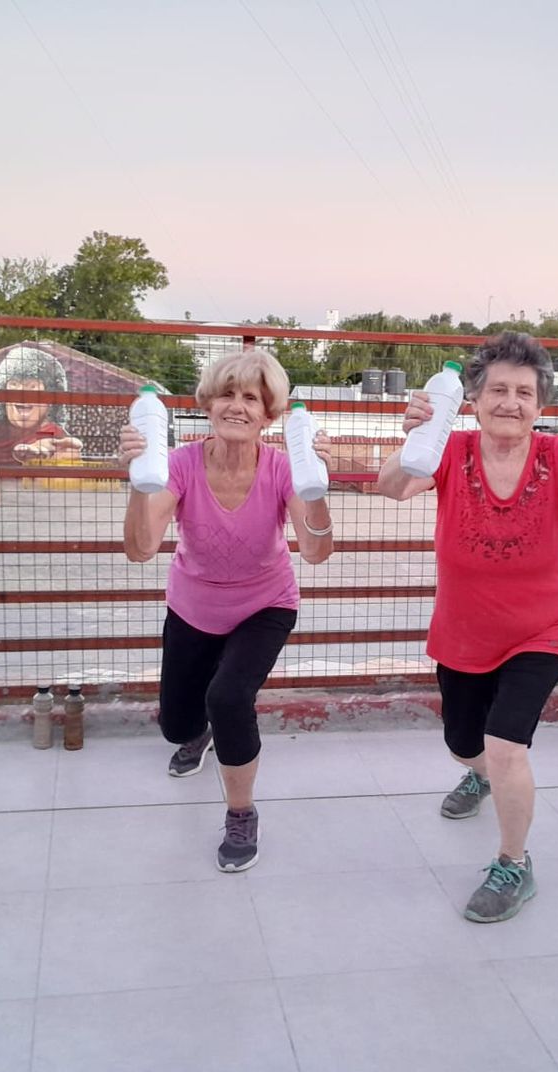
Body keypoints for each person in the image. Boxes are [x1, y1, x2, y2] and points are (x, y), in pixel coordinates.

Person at [377, 332, 558, 923]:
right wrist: (411, 438)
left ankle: (513, 863)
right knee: (464, 743)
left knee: (506, 746)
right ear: (471, 398)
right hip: (464, 630)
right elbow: (391, 488)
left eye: (524, 393)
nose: (510, 402)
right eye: (497, 389)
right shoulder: (449, 449)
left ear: (541, 406)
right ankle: (476, 777)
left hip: (542, 627)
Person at [118, 349, 334, 872]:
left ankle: (241, 814)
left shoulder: (284, 468)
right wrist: (135, 479)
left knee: (229, 696)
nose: (237, 406)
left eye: (251, 398)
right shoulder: (181, 464)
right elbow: (141, 548)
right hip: (194, 605)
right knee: (176, 724)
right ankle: (197, 731)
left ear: (270, 415)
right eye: (227, 394)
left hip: (266, 603)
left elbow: (316, 551)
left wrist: (318, 483)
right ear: (208, 404)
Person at [0, 345, 83, 464]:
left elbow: (53, 445)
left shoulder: (51, 432)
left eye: (32, 386)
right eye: (14, 384)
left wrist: (39, 452)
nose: (21, 394)